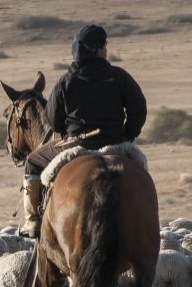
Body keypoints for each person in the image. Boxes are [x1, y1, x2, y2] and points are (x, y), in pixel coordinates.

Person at [19, 24, 147, 238]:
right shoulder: (119, 76)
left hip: (78, 146)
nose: (106, 50)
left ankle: (32, 221)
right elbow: (138, 109)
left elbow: (53, 121)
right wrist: (127, 136)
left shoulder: (65, 82)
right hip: (116, 143)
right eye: (104, 46)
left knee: (32, 162)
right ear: (97, 50)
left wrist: (69, 131)